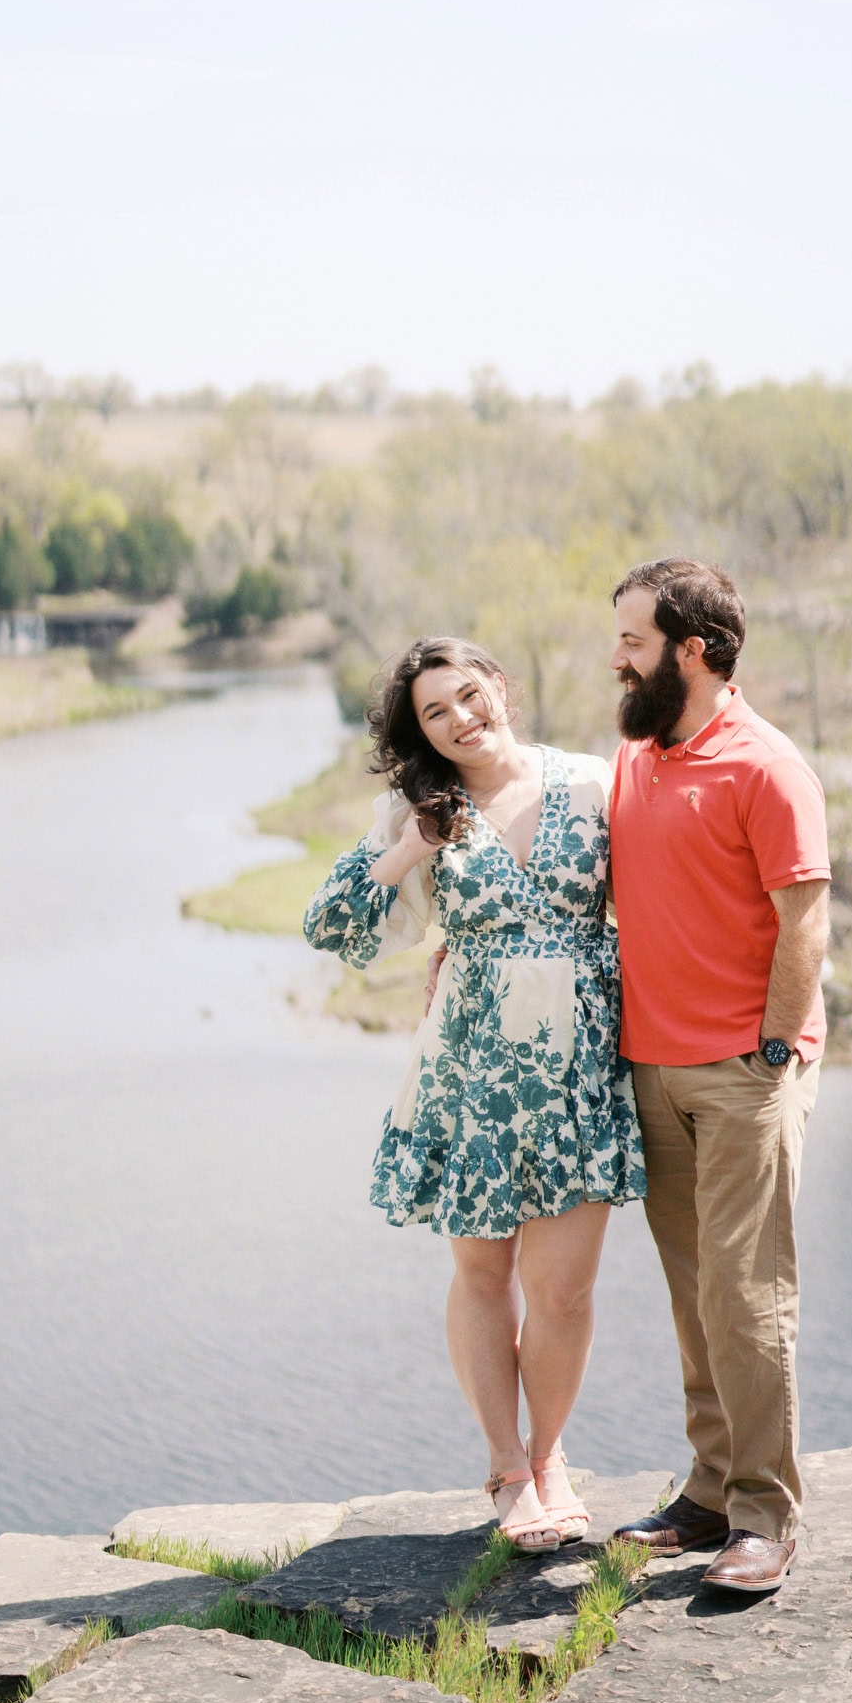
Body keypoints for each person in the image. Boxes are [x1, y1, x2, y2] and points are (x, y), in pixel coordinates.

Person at [303, 636, 645, 1554]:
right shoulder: (420, 810)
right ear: (421, 734)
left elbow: (655, 900)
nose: (460, 718)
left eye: (467, 694)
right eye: (434, 712)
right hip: (471, 1076)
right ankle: (507, 1468)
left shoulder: (593, 782)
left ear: (499, 685)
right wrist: (407, 849)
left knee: (563, 1290)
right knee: (485, 1274)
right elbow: (331, 927)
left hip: (579, 1070)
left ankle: (551, 1454)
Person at [606, 557, 831, 1593]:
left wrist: (773, 1048)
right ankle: (707, 1490)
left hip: (744, 1073)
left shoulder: (766, 766)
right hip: (652, 1069)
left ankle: (764, 1515)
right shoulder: (635, 757)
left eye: (633, 641)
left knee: (747, 1295)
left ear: (690, 650)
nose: (618, 658)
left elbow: (805, 918)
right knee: (695, 1292)